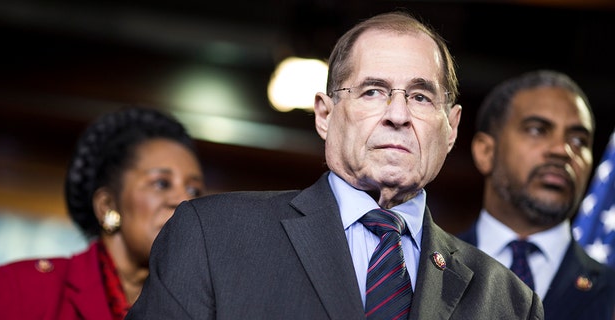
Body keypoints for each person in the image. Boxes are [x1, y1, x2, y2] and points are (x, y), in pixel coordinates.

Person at [126, 11, 543, 320]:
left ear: (450, 128)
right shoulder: (211, 236)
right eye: (373, 91)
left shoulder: (509, 302)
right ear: (325, 115)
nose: (398, 115)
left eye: (420, 97)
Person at [0, 107, 206, 319]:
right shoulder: (24, 288)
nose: (184, 201)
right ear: (106, 205)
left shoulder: (202, 310)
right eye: (161, 183)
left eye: (194, 189)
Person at [458, 70, 615, 319]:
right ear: (486, 152)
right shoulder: (426, 266)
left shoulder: (610, 291)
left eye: (578, 140)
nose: (562, 150)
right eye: (537, 130)